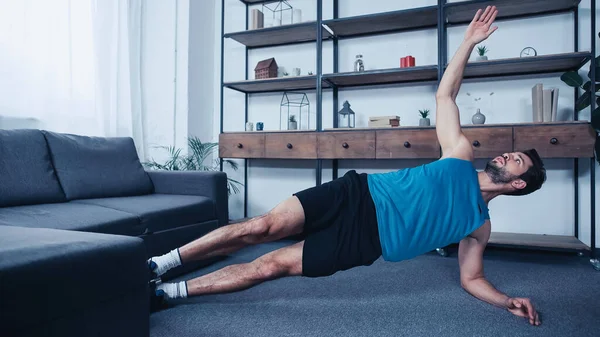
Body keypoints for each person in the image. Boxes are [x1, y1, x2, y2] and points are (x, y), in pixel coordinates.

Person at [148, 6, 545, 326]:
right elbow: (445, 95)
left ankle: (169, 294)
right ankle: (163, 262)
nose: (506, 156)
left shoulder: (478, 226)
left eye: (516, 161)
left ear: (518, 185)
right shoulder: (459, 154)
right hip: (355, 193)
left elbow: (471, 278)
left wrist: (505, 299)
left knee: (269, 266)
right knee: (259, 227)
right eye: (511, 153)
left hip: (366, 242)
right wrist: (468, 43)